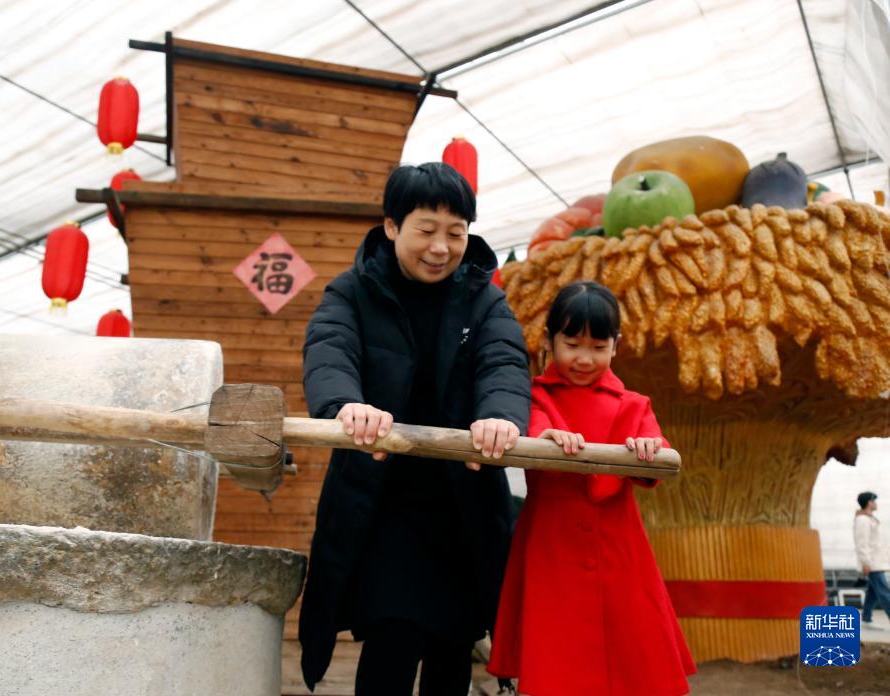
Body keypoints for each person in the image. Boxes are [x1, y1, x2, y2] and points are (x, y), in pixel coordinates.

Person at [298, 162, 531, 695]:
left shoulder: (485, 298)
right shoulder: (351, 292)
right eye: (426, 230)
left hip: (463, 502)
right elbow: (329, 351)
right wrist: (346, 405)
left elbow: (504, 363)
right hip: (382, 501)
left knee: (453, 643)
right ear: (391, 226)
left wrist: (500, 416)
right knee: (393, 633)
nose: (441, 248)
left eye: (456, 233)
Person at [487, 280, 696, 696]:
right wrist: (545, 439)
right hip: (552, 543)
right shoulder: (534, 396)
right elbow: (533, 430)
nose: (584, 358)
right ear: (548, 340)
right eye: (572, 344)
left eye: (598, 347)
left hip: (620, 545)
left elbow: (658, 453)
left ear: (616, 345)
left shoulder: (635, 404)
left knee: (630, 658)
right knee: (556, 655)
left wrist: (648, 448)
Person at [854, 491, 890, 624]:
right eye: (874, 501)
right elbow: (861, 542)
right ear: (869, 502)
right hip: (872, 563)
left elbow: (878, 542)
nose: (875, 503)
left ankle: (866, 616)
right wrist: (865, 562)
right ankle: (867, 616)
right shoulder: (862, 520)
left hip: (877, 561)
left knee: (873, 591)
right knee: (884, 592)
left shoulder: (870, 519)